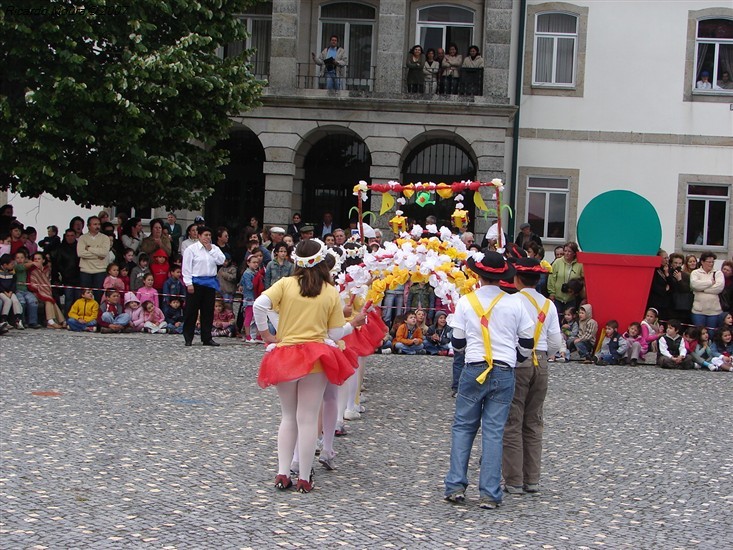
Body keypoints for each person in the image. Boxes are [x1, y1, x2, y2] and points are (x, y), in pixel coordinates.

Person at [252, 238, 366, 493]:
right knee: (306, 419)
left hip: (285, 355)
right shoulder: (329, 291)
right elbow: (335, 334)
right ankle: (304, 476)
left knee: (288, 417)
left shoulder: (285, 284)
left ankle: (282, 473)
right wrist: (354, 323)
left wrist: (266, 334)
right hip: (316, 357)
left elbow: (259, 304)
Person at [445, 250, 535, 509]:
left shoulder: (466, 301)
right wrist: (516, 356)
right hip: (504, 369)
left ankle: (455, 485)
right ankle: (489, 493)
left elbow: (457, 343)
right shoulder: (516, 302)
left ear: (479, 275)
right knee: (494, 432)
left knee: (463, 427)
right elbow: (527, 342)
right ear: (502, 277)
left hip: (475, 367)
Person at [502, 257, 561, 496]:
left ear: (516, 279)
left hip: (519, 362)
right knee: (534, 421)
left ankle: (514, 480)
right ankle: (532, 479)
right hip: (542, 362)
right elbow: (556, 342)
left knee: (513, 421)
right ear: (538, 280)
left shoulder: (511, 302)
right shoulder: (548, 305)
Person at [182, 226, 225, 347]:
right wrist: (188, 283)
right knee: (191, 311)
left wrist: (210, 249)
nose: (208, 238)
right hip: (196, 283)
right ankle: (188, 337)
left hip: (209, 283)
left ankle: (206, 337)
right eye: (205, 235)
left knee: (208, 312)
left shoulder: (214, 248)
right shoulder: (191, 249)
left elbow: (221, 260)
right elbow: (186, 268)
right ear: (199, 236)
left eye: (209, 235)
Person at [27, 252, 66, 329]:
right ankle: (53, 321)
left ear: (43, 260)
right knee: (49, 299)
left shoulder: (47, 270)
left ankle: (55, 321)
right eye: (35, 259)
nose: (37, 261)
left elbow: (47, 282)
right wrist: (40, 289)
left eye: (39, 259)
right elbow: (32, 284)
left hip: (46, 292)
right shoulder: (32, 270)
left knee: (50, 299)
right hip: (36, 292)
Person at [77, 216, 110, 301]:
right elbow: (80, 253)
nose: (97, 226)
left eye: (98, 224)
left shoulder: (105, 238)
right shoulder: (83, 238)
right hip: (85, 270)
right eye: (95, 224)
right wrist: (98, 255)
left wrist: (89, 248)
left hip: (100, 270)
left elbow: (104, 253)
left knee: (98, 295)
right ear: (88, 226)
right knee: (85, 296)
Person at [690, 251, 724, 330]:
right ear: (702, 262)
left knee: (712, 334)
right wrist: (710, 282)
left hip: (714, 312)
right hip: (698, 311)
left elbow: (719, 288)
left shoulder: (718, 273)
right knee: (699, 333)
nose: (711, 264)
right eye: (709, 262)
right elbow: (694, 285)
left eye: (712, 262)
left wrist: (702, 290)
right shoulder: (695, 273)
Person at [547, 242, 584, 313]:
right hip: (557, 297)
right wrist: (551, 293)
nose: (566, 253)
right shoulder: (557, 262)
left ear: (574, 253)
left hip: (571, 298)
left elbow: (582, 279)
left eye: (569, 251)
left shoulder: (580, 264)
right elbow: (551, 278)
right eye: (565, 251)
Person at [13, 249, 40, 328]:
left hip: (26, 290)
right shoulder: (15, 267)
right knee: (22, 302)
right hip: (17, 291)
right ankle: (22, 322)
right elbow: (23, 267)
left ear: (25, 258)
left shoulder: (28, 266)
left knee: (33, 301)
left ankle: (33, 322)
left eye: (22, 257)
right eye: (17, 258)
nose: (20, 259)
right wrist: (33, 263)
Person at [238, 254, 261, 342]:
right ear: (248, 263)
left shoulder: (255, 272)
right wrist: (257, 280)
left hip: (255, 297)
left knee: (258, 317)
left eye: (257, 262)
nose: (256, 264)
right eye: (253, 262)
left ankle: (258, 336)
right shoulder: (247, 273)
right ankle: (248, 336)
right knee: (248, 316)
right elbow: (249, 286)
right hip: (249, 298)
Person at [0, 253, 25, 329]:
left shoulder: (12, 272)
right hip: (1, 291)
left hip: (10, 291)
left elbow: (13, 283)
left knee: (15, 301)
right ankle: (3, 319)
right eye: (11, 264)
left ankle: (18, 319)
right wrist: (4, 292)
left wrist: (11, 291)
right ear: (5, 265)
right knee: (8, 301)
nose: (13, 265)